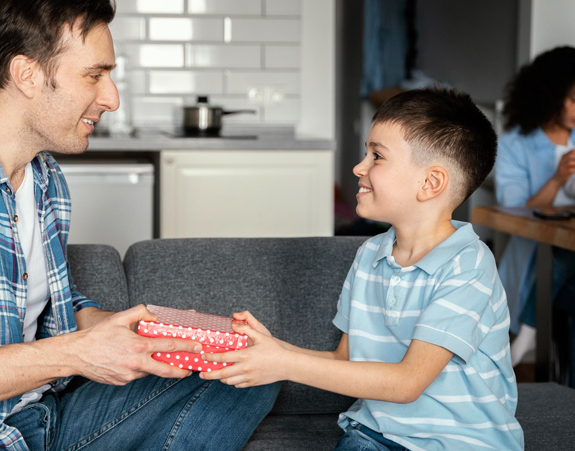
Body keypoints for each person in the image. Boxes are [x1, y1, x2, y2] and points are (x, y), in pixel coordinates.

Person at [0, 1, 280, 450]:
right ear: (26, 74)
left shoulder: (43, 176)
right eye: (94, 75)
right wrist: (77, 354)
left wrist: (135, 332)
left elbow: (39, 303)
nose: (112, 98)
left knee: (254, 370)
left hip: (38, 416)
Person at [201, 88, 524, 450]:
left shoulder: (468, 265)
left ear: (431, 183)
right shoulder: (370, 254)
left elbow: (407, 383)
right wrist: (273, 349)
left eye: (377, 156)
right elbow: (345, 359)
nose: (359, 167)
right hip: (373, 436)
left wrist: (283, 365)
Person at [495, 45, 575, 370]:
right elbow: (514, 211)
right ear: (549, 96)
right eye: (572, 99)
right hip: (538, 258)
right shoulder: (516, 144)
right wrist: (557, 179)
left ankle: (531, 335)